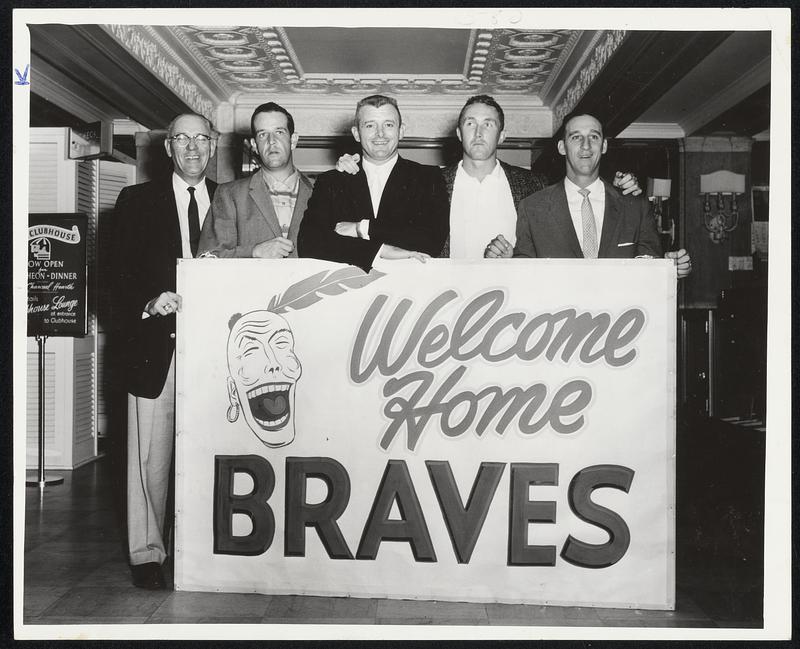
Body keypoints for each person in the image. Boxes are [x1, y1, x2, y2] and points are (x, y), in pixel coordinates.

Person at [112, 113, 218, 589]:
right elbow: (116, 276)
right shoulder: (135, 201)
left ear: (213, 146)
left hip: (216, 352)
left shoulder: (232, 198)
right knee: (149, 460)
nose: (192, 147)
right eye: (182, 139)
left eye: (201, 138)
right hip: (156, 346)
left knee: (213, 454)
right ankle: (148, 554)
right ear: (168, 148)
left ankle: (201, 550)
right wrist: (150, 302)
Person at [494, 110, 692, 278]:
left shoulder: (635, 206)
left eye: (594, 137)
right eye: (576, 137)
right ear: (562, 147)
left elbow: (650, 268)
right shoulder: (532, 207)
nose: (586, 145)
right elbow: (524, 273)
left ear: (604, 146)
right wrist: (506, 263)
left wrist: (669, 268)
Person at [297, 94, 449, 271]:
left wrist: (362, 228)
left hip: (409, 288)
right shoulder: (331, 181)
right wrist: (380, 251)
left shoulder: (428, 177)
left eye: (389, 125)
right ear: (356, 133)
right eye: (370, 125)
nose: (380, 134)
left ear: (401, 131)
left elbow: (432, 240)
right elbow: (309, 243)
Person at [198, 102, 313, 258]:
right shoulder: (229, 194)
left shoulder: (322, 192)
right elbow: (207, 258)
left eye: (279, 132)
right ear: (254, 145)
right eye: (262, 134)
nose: (271, 141)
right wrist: (253, 252)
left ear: (293, 140)